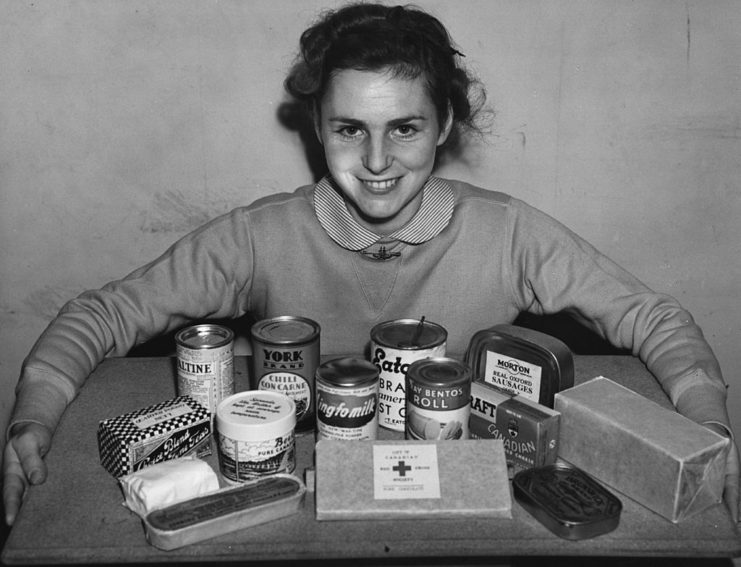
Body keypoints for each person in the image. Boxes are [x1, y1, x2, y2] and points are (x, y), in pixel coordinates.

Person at [3, 2, 738, 526]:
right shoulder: (261, 234)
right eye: (350, 128)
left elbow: (652, 316)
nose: (378, 161)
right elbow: (103, 312)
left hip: (466, 500)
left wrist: (711, 433)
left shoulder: (507, 229)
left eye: (405, 128)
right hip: (295, 498)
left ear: (444, 124)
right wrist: (31, 423)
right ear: (316, 128)